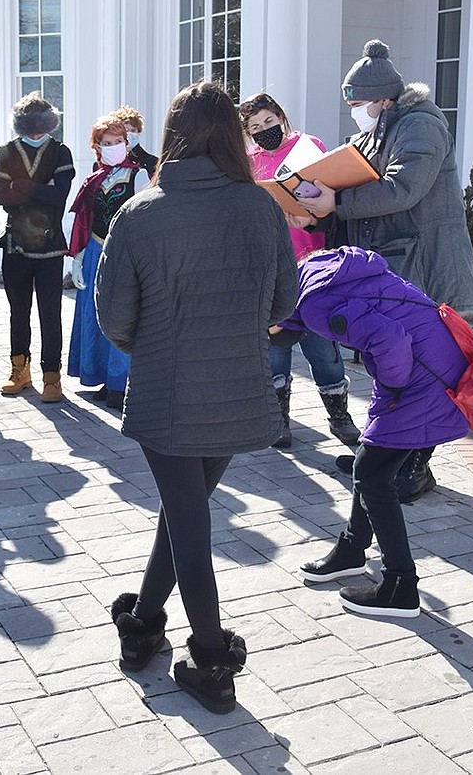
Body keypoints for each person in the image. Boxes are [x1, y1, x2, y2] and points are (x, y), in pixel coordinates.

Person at [95, 81, 298, 713]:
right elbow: (285, 305)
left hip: (165, 390)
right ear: (232, 138)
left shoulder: (141, 213)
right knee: (184, 511)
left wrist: (154, 344)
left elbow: (113, 318)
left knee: (186, 515)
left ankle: (210, 657)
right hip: (239, 387)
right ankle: (144, 623)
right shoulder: (261, 207)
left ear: (171, 136)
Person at [295, 40, 473, 502]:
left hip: (425, 266)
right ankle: (382, 456)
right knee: (389, 365)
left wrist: (335, 201)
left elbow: (402, 188)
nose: (355, 112)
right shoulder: (376, 131)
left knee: (427, 370)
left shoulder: (422, 124)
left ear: (384, 99)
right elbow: (354, 185)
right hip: (397, 268)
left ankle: (414, 468)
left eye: (358, 104)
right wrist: (316, 209)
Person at [281, 246, 470, 618]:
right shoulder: (319, 273)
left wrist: (392, 389)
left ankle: (400, 586)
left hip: (421, 376)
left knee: (371, 476)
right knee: (371, 468)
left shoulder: (313, 307)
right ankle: (352, 551)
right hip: (437, 357)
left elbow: (390, 341)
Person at [239, 92, 361, 449]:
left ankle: (339, 414)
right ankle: (279, 418)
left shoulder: (309, 146)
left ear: (280, 115)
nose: (264, 131)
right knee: (275, 346)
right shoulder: (248, 162)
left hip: (312, 261)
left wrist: (311, 216)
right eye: (255, 127)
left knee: (320, 343)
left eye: (268, 121)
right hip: (270, 264)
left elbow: (327, 195)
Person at [0, 92, 76, 403]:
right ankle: (19, 370)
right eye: (30, 129)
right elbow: (2, 197)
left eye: (42, 128)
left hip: (50, 244)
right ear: (21, 128)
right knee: (18, 312)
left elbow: (60, 197)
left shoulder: (60, 152)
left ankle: (52, 376)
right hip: (15, 243)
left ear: (50, 126)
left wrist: (23, 186)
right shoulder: (6, 152)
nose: (37, 134)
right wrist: (42, 189)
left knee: (50, 313)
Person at [67, 115, 148, 409]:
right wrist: (77, 257)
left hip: (124, 255)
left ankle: (121, 382)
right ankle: (101, 377)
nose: (112, 147)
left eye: (117, 142)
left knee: (122, 315)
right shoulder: (94, 179)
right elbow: (84, 220)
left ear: (126, 143)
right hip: (94, 252)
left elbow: (145, 221)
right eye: (106, 143)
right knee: (93, 313)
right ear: (97, 147)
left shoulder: (139, 176)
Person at [110, 105, 159, 178]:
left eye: (133, 130)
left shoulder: (153, 161)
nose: (129, 134)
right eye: (125, 130)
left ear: (138, 132)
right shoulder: (106, 162)